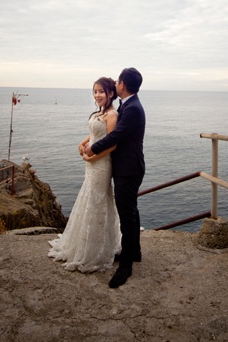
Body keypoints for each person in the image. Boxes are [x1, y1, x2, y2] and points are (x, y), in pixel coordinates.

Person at [48, 77, 122, 272]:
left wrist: (93, 158)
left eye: (101, 91)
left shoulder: (112, 115)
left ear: (111, 93)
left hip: (101, 165)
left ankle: (96, 250)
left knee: (97, 202)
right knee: (88, 200)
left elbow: (113, 144)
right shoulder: (100, 113)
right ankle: (83, 242)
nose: (97, 95)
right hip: (91, 164)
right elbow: (95, 134)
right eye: (95, 91)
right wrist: (82, 143)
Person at [82, 67, 145, 288]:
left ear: (123, 85)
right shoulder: (128, 105)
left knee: (127, 215)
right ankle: (134, 252)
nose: (116, 84)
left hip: (128, 169)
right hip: (128, 167)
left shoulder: (133, 108)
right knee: (131, 211)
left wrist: (93, 148)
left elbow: (117, 135)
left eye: (118, 81)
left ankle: (126, 266)